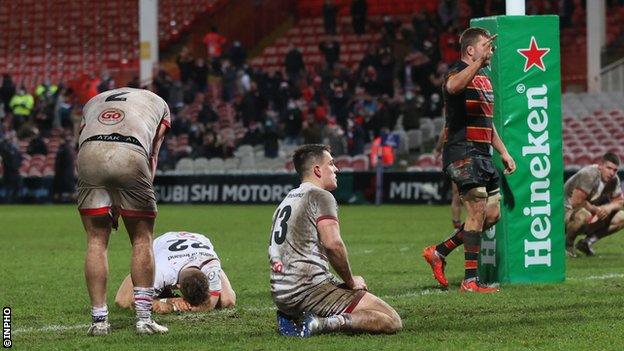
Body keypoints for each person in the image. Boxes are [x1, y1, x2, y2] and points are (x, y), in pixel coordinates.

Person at [269, 144, 402, 337]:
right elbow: (332, 244)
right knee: (390, 319)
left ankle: (292, 315)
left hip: (282, 292)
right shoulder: (321, 196)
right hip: (308, 290)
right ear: (317, 170)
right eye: (331, 164)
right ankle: (322, 323)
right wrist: (350, 281)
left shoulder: (287, 199)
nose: (336, 169)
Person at [421, 28, 516, 292]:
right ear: (471, 50)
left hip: (483, 154)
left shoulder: (484, 80)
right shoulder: (456, 71)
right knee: (476, 210)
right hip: (462, 152)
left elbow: (487, 122)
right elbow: (453, 87)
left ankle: (439, 252)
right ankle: (470, 281)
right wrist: (475, 64)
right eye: (486, 46)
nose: (491, 51)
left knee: (492, 214)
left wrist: (504, 152)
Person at [77, 87, 170, 335]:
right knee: (142, 238)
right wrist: (136, 193)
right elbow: (153, 152)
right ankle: (143, 319)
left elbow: (82, 137)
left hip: (89, 153)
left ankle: (98, 321)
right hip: (131, 151)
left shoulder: (93, 100)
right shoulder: (159, 103)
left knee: (96, 241)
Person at [115, 231, 236, 313]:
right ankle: (158, 289)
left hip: (197, 241)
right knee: (123, 301)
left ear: (206, 278)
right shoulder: (162, 271)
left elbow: (214, 303)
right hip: (163, 245)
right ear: (177, 286)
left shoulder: (210, 265)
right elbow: (131, 301)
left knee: (227, 300)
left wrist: (182, 307)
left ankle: (161, 292)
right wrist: (166, 302)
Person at [564, 152, 624, 257]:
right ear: (600, 166)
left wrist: (608, 208)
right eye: (608, 168)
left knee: (621, 217)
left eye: (615, 170)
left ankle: (586, 243)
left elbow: (620, 202)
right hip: (563, 212)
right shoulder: (589, 174)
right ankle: (567, 245)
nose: (612, 173)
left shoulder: (614, 180)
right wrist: (597, 210)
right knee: (583, 215)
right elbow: (576, 202)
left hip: (587, 211)